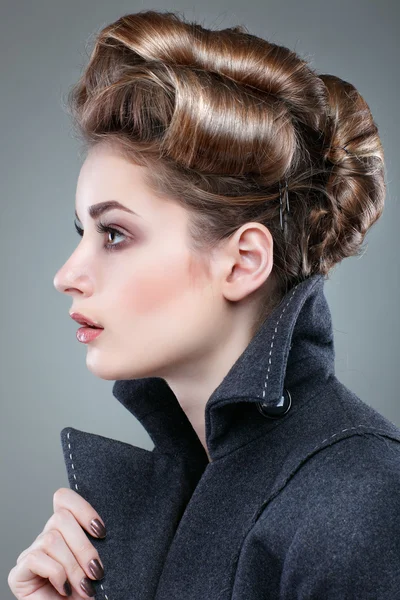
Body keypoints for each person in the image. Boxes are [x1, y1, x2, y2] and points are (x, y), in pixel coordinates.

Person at [8, 9, 400, 600]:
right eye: (80, 234)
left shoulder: (361, 498)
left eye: (114, 234)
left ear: (243, 262)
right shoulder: (192, 489)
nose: (68, 275)